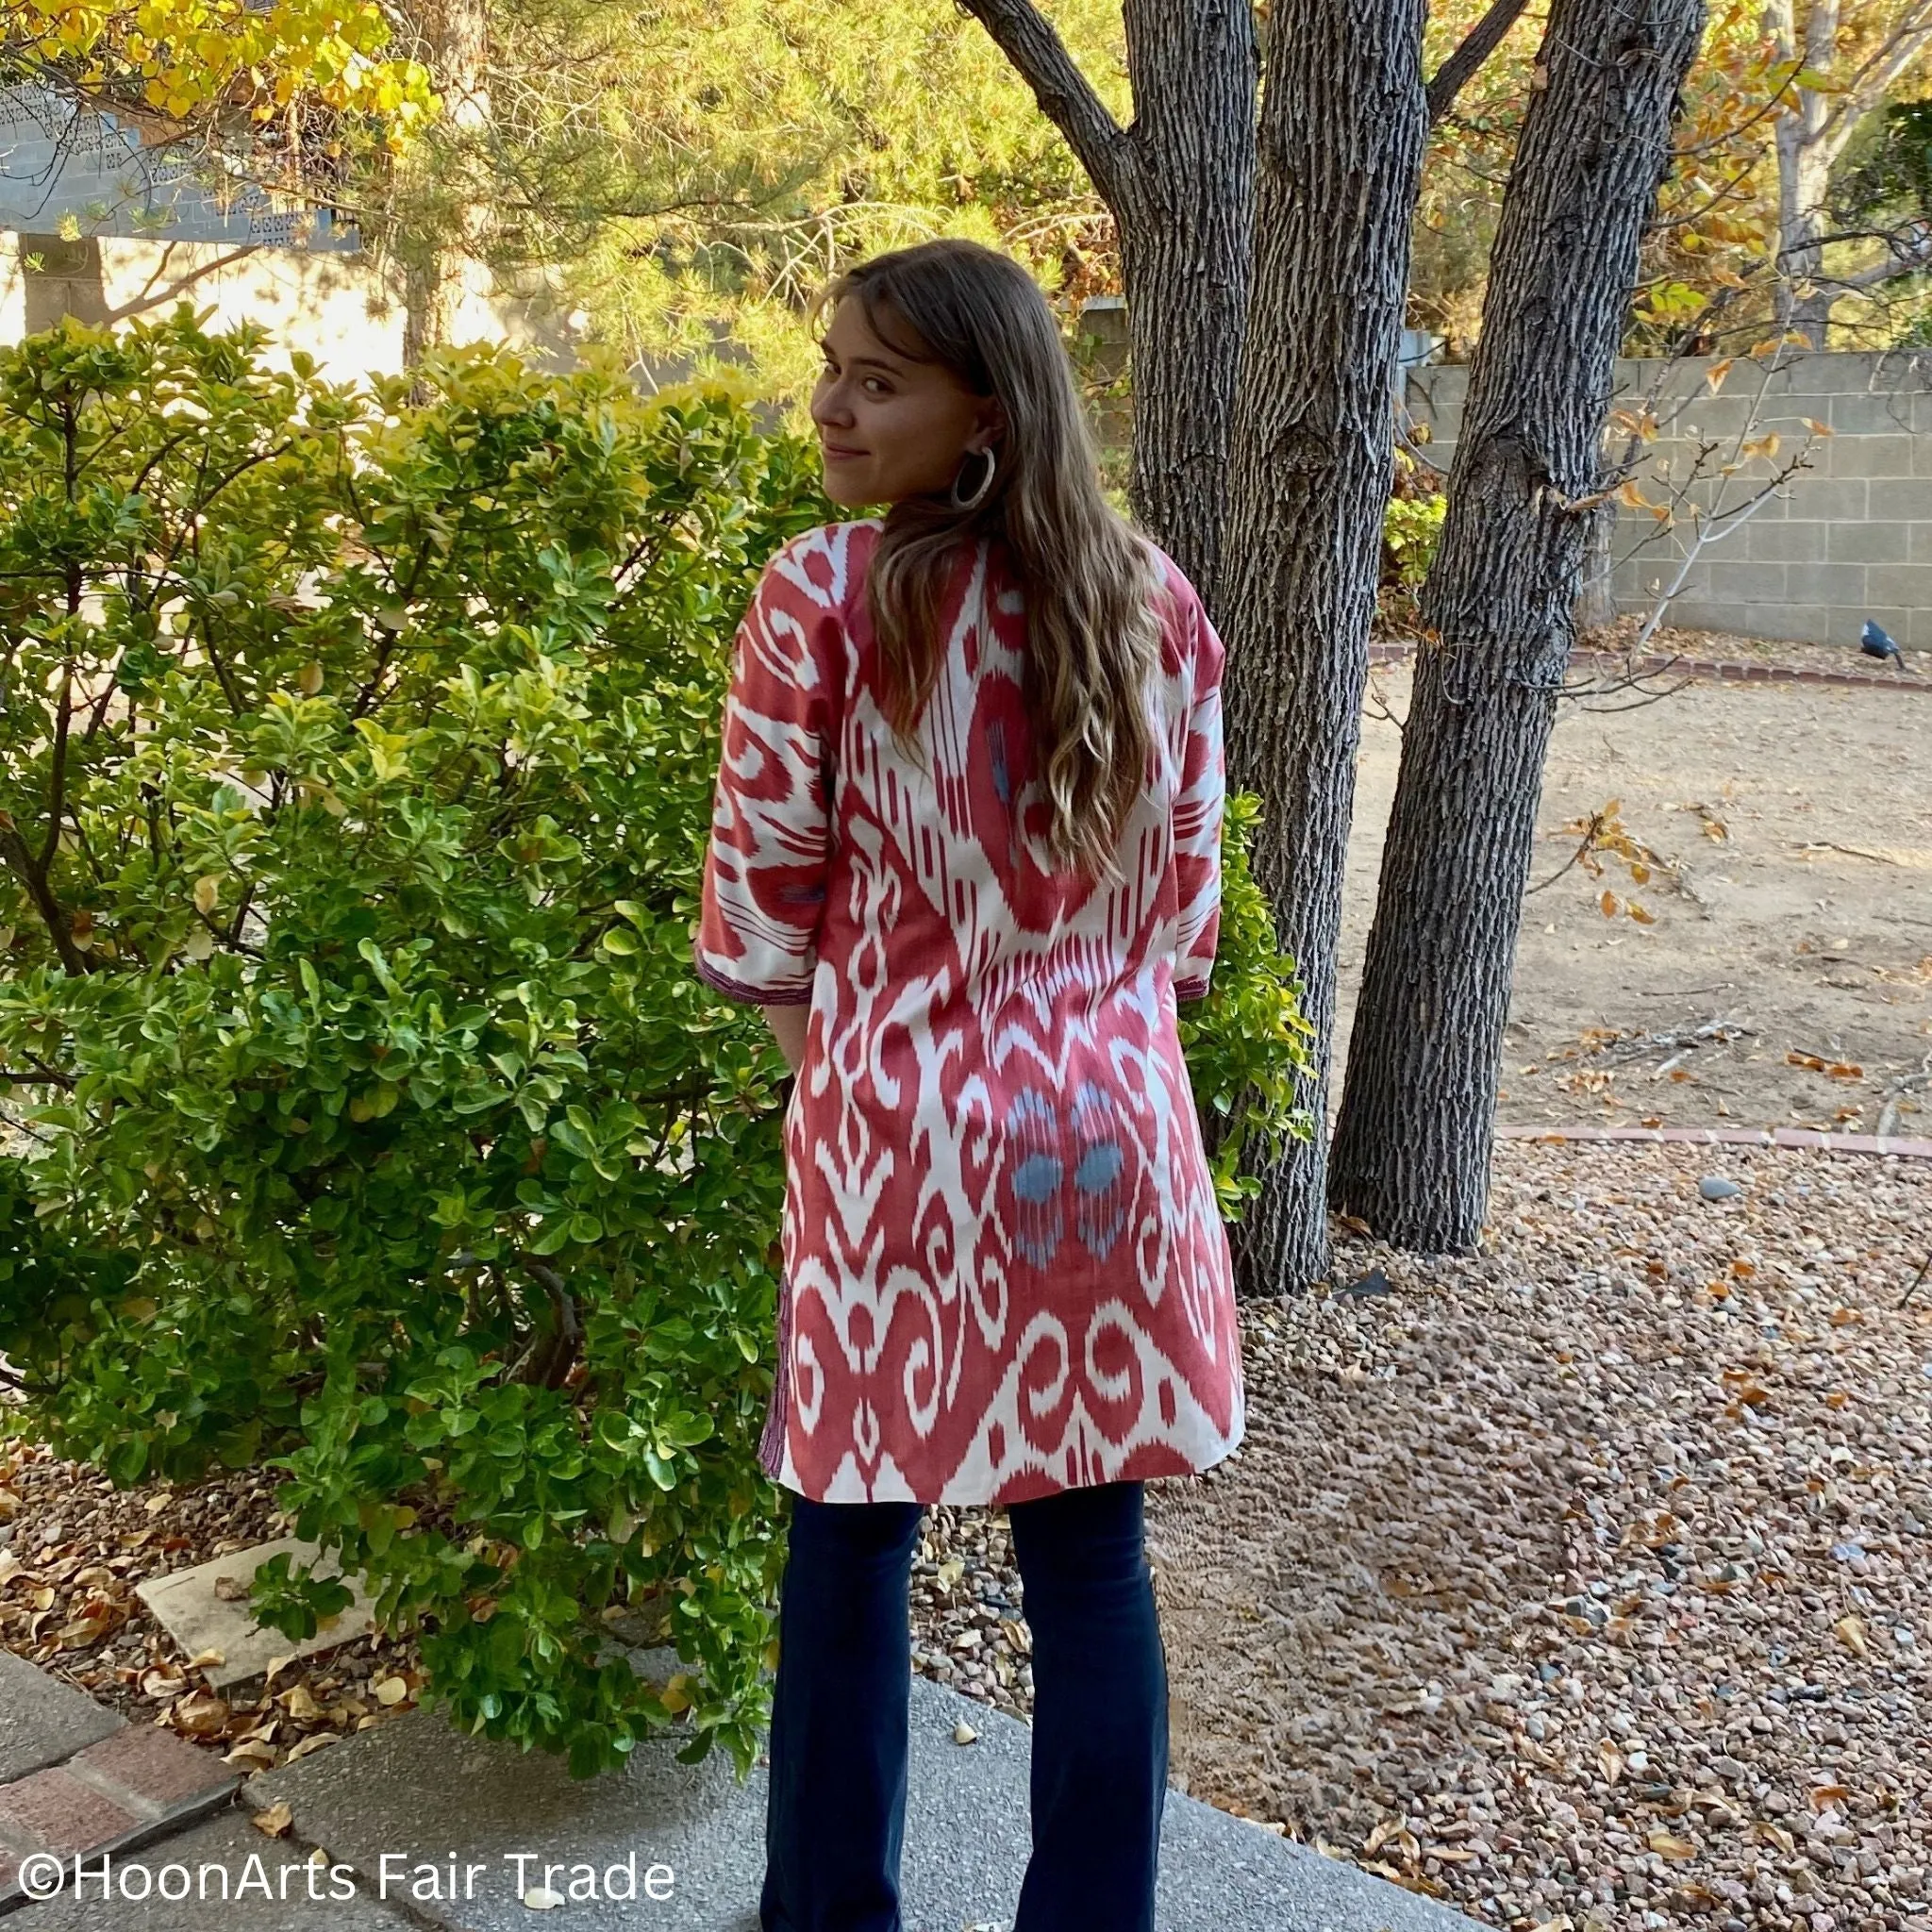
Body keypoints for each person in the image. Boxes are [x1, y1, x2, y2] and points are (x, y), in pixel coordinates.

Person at [691, 236, 1241, 1932]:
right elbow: (1187, 914)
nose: (833, 405)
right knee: (1089, 1564)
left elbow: (763, 906)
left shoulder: (824, 594)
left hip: (897, 1140)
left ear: (983, 411)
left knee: (852, 1543)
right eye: (832, 364)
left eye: (879, 379)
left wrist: (841, 1088)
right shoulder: (1152, 596)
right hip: (1108, 1133)